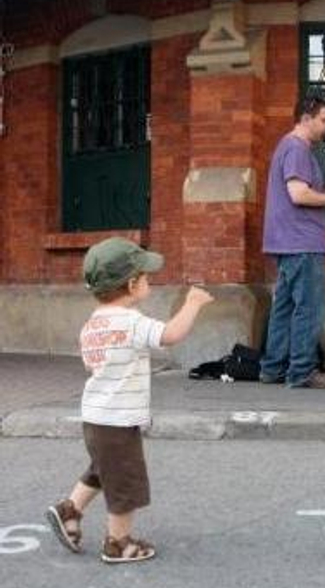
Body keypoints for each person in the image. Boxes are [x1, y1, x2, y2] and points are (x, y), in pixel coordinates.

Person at [46, 237, 213, 563]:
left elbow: (91, 365)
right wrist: (192, 303)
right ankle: (118, 543)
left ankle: (69, 511)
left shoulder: (91, 325)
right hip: (119, 419)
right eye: (146, 276)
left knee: (102, 469)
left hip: (95, 417)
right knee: (125, 483)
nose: (148, 281)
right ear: (133, 284)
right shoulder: (132, 322)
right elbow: (169, 335)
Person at [258, 94, 325, 388]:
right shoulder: (297, 148)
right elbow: (298, 195)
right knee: (309, 309)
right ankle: (301, 371)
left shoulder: (290, 147)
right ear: (305, 118)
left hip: (287, 240)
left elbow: (303, 192)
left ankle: (273, 368)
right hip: (301, 241)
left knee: (284, 308)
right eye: (324, 120)